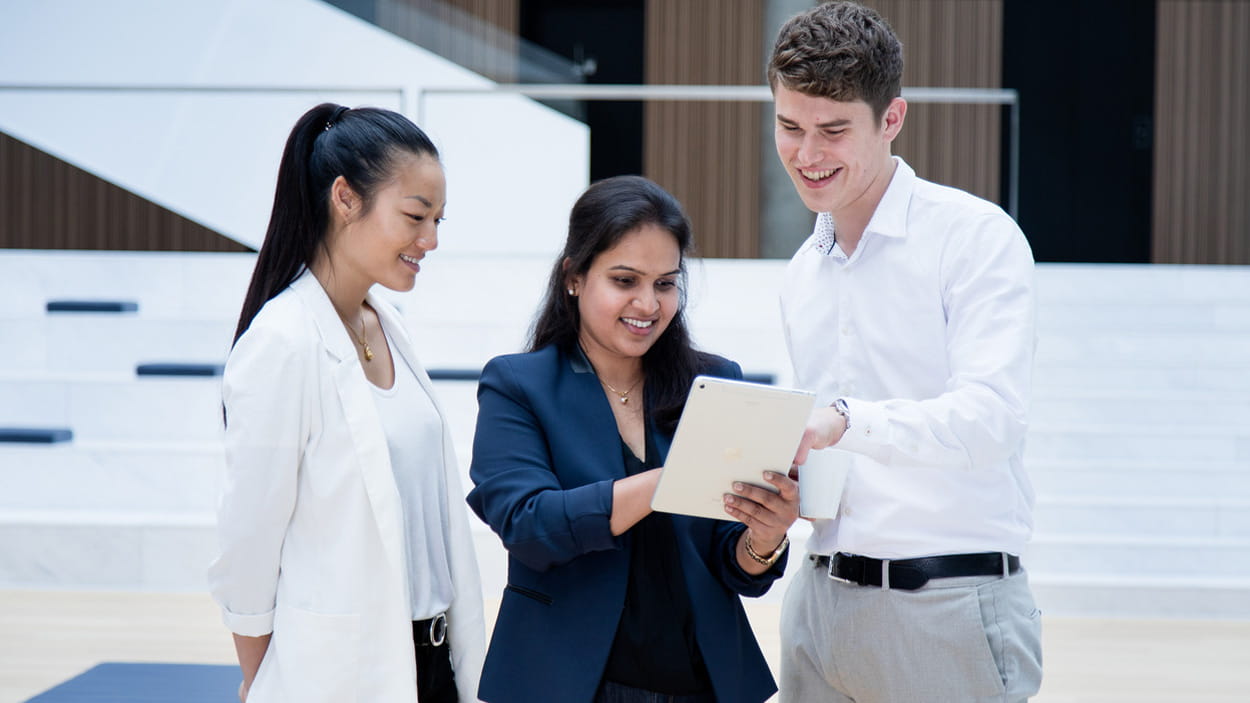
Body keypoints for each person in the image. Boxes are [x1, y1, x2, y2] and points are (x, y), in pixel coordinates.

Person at [768, 3, 1043, 702]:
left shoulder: (974, 238)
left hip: (945, 610)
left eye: (833, 131)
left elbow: (991, 420)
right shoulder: (803, 269)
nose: (806, 154)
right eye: (789, 127)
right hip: (818, 605)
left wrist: (843, 418)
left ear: (892, 119)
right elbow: (829, 450)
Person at [466, 175, 799, 703]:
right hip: (565, 684)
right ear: (574, 277)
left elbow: (733, 565)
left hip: (702, 685)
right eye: (625, 280)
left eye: (666, 283)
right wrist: (672, 480)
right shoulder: (518, 384)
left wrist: (765, 537)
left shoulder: (713, 383)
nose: (648, 304)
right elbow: (530, 526)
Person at [207, 103, 485, 703]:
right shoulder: (282, 342)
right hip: (338, 677)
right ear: (345, 197)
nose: (430, 240)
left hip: (433, 665)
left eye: (438, 220)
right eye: (415, 215)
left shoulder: (388, 325)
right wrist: (264, 682)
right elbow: (248, 544)